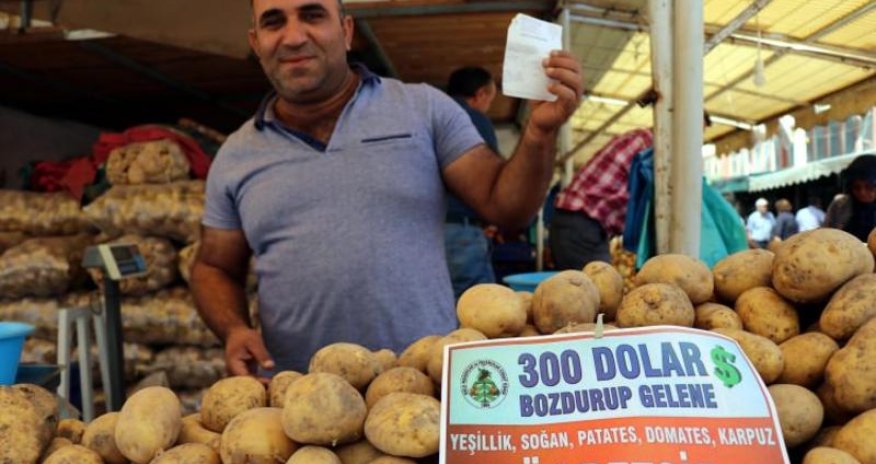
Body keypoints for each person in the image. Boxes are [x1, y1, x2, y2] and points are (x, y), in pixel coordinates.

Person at [190, 0, 583, 375]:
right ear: (256, 42)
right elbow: (214, 266)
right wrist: (234, 329)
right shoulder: (237, 155)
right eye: (274, 22)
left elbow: (506, 208)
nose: (293, 36)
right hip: (300, 404)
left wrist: (538, 135)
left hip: (424, 384)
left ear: (345, 31)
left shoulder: (423, 109)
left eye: (312, 15)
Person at [550, 128, 653, 270]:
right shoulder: (648, 143)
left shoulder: (642, 139)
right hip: (581, 223)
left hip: (579, 222)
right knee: (599, 286)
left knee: (598, 283)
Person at [443, 66, 498, 299]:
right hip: (460, 231)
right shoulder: (473, 120)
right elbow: (490, 179)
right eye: (490, 100)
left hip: (423, 233)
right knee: (479, 305)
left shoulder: (429, 115)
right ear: (481, 94)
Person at [825, 154, 876, 241]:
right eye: (856, 187)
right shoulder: (840, 206)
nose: (862, 192)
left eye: (869, 187)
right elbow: (828, 235)